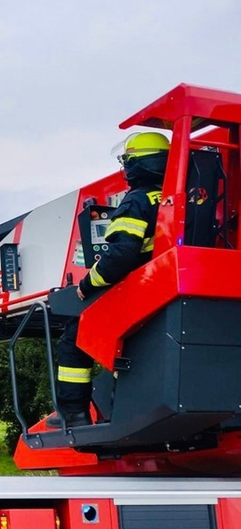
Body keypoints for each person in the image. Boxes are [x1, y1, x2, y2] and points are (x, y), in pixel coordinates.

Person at [52, 131, 170, 428]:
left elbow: (120, 256)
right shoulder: (176, 197)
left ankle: (73, 413)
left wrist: (86, 285)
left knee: (74, 335)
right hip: (164, 289)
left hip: (140, 293)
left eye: (128, 160)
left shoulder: (137, 201)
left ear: (138, 165)